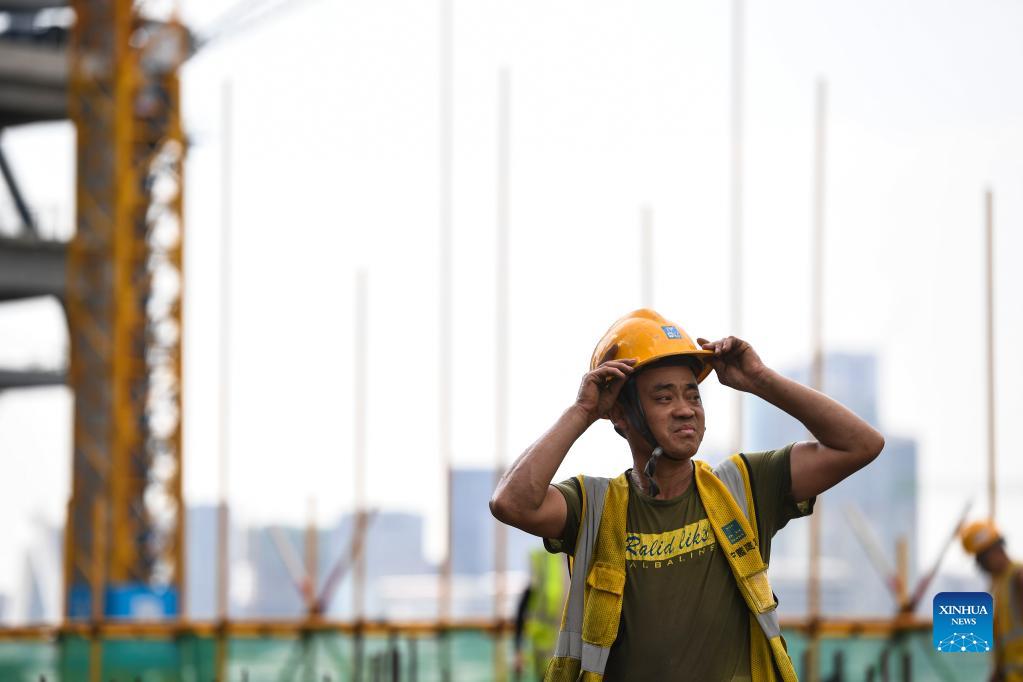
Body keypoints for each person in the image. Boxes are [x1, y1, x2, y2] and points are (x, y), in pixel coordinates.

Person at [490, 309, 885, 681]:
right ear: (621, 414)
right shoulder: (594, 506)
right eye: (664, 398)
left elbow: (860, 444)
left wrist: (760, 379)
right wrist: (583, 411)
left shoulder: (743, 487)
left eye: (693, 395)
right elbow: (511, 502)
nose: (685, 410)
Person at [960, 520, 1023, 682]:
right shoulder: (1000, 586)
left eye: (981, 560)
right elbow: (1003, 641)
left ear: (995, 551)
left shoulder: (1018, 577)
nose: (982, 567)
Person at [513, 547, 569, 681]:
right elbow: (522, 607)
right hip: (544, 652)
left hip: (570, 652)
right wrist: (518, 649)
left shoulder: (580, 560)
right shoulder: (542, 561)